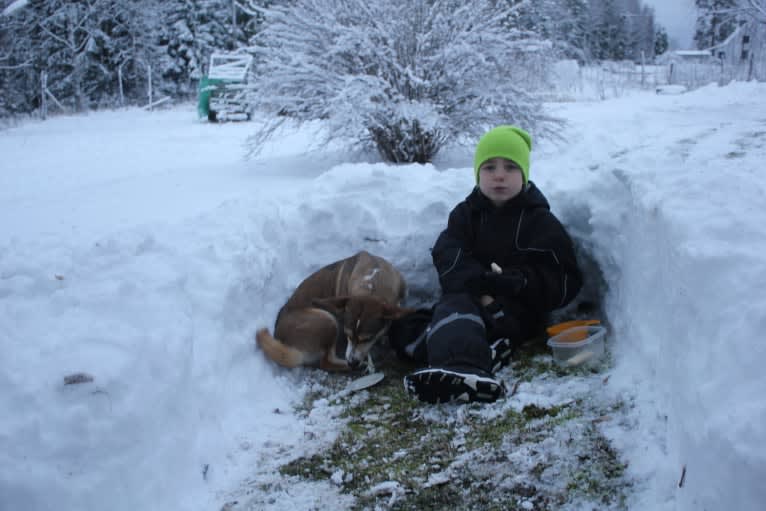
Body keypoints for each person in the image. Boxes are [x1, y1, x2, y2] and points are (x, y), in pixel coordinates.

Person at [403, 125, 583, 404]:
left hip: (515, 309)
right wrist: (478, 281)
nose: (499, 175)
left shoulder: (541, 222)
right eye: (489, 167)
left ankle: (464, 371)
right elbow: (447, 252)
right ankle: (478, 352)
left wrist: (520, 281)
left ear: (524, 174)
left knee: (456, 314)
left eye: (510, 167)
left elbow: (565, 279)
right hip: (471, 298)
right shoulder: (465, 214)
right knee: (407, 325)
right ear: (477, 175)